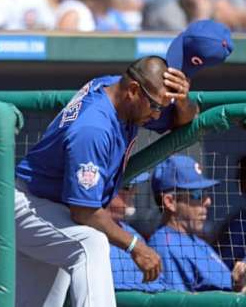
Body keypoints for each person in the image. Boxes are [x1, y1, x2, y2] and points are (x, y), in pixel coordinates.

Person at [14, 54, 196, 306]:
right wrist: (135, 245)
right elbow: (84, 212)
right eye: (155, 106)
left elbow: (180, 119)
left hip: (52, 209)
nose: (157, 115)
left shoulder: (118, 90)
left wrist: (183, 101)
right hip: (30, 204)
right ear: (133, 91)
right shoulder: (93, 128)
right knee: (91, 244)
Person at [148, 155, 246, 291]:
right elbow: (178, 303)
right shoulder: (164, 246)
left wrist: (238, 283)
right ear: (170, 202)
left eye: (206, 192)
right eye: (197, 194)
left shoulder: (195, 241)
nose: (208, 201)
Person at [107, 172, 167, 292]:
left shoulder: (134, 235)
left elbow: (157, 287)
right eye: (127, 187)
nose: (134, 192)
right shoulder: (87, 235)